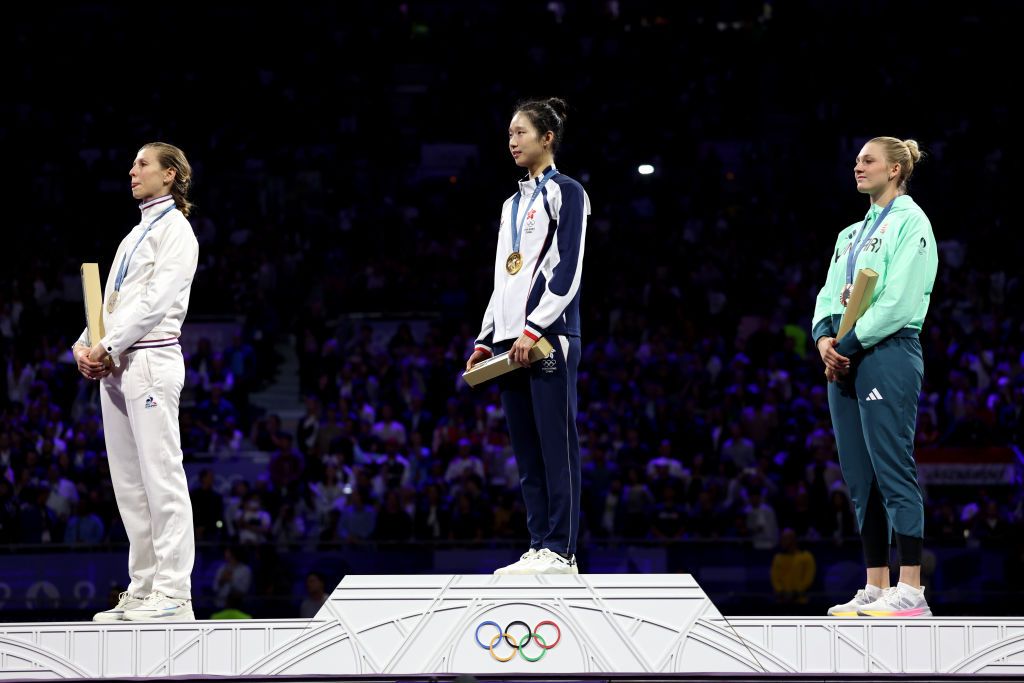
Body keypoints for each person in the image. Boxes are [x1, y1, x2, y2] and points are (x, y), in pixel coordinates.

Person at [812, 137, 938, 617]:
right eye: (856, 160)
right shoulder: (850, 234)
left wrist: (845, 345)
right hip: (843, 358)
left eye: (868, 160)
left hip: (886, 351)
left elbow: (900, 300)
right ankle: (876, 585)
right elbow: (827, 296)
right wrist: (825, 340)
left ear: (897, 170)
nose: (857, 166)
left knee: (892, 466)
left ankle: (912, 588)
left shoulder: (912, 223)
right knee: (860, 479)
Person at [73, 142, 199, 621]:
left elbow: (155, 304)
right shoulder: (133, 236)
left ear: (169, 175)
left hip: (150, 361)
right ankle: (144, 586)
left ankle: (174, 592)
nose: (132, 171)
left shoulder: (177, 234)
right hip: (116, 365)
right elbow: (113, 303)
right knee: (129, 484)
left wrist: (108, 345)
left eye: (142, 164)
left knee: (161, 476)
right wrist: (84, 345)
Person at [466, 97, 590, 575]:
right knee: (526, 451)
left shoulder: (568, 193)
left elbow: (568, 267)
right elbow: (503, 278)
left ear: (547, 138)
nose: (512, 141)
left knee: (556, 444)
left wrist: (536, 325)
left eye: (521, 132)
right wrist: (486, 337)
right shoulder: (510, 205)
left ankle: (562, 550)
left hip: (548, 336)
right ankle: (539, 543)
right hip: (509, 343)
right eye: (510, 133)